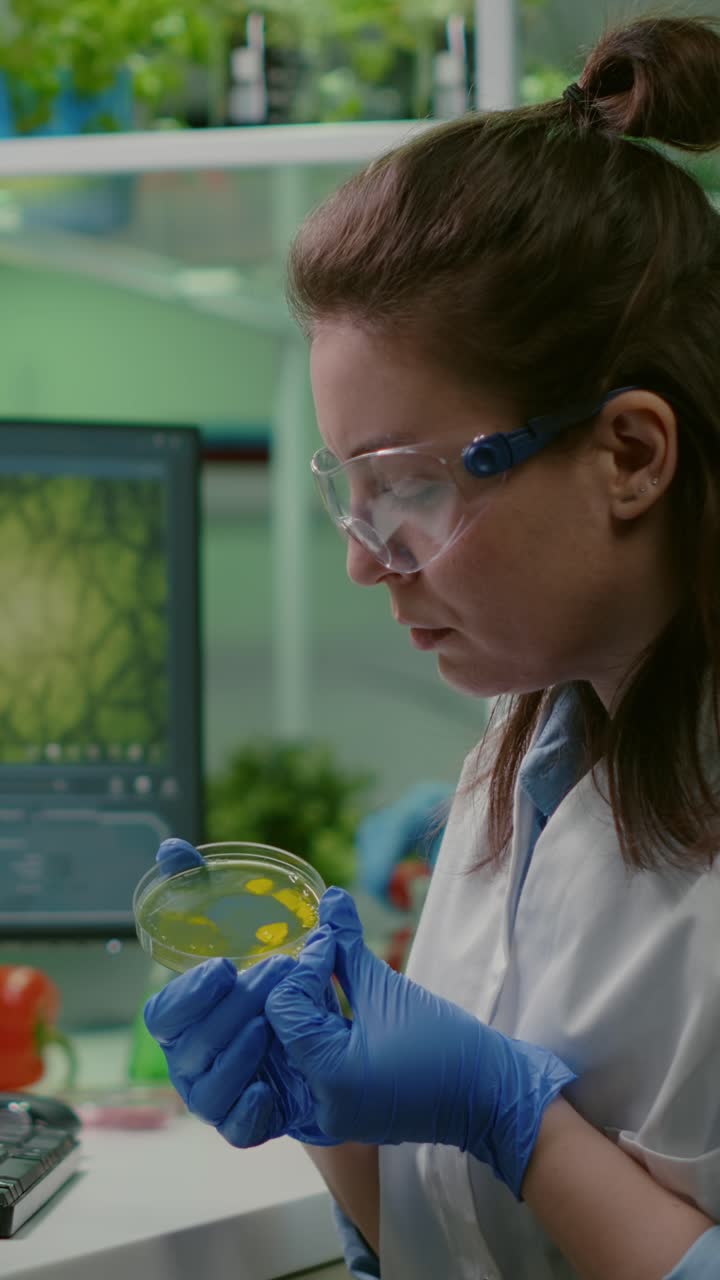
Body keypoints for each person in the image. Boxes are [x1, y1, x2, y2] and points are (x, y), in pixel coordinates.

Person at [144, 15, 720, 1278]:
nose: (363, 557)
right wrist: (329, 1105)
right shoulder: (515, 760)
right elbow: (456, 1235)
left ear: (629, 453)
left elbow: (515, 1156)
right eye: (345, 492)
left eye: (407, 487)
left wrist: (516, 1121)